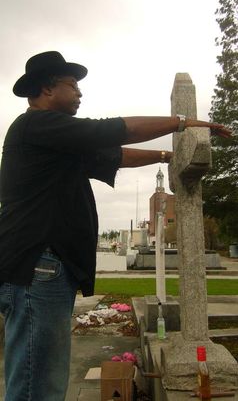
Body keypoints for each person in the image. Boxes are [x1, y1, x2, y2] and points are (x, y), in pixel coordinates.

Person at [0, 51, 231, 401]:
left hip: (45, 268)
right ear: (48, 88)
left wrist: (167, 157)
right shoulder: (36, 126)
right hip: (38, 266)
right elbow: (109, 129)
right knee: (38, 384)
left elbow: (115, 153)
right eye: (73, 86)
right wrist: (181, 121)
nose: (80, 93)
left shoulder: (59, 143)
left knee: (44, 378)